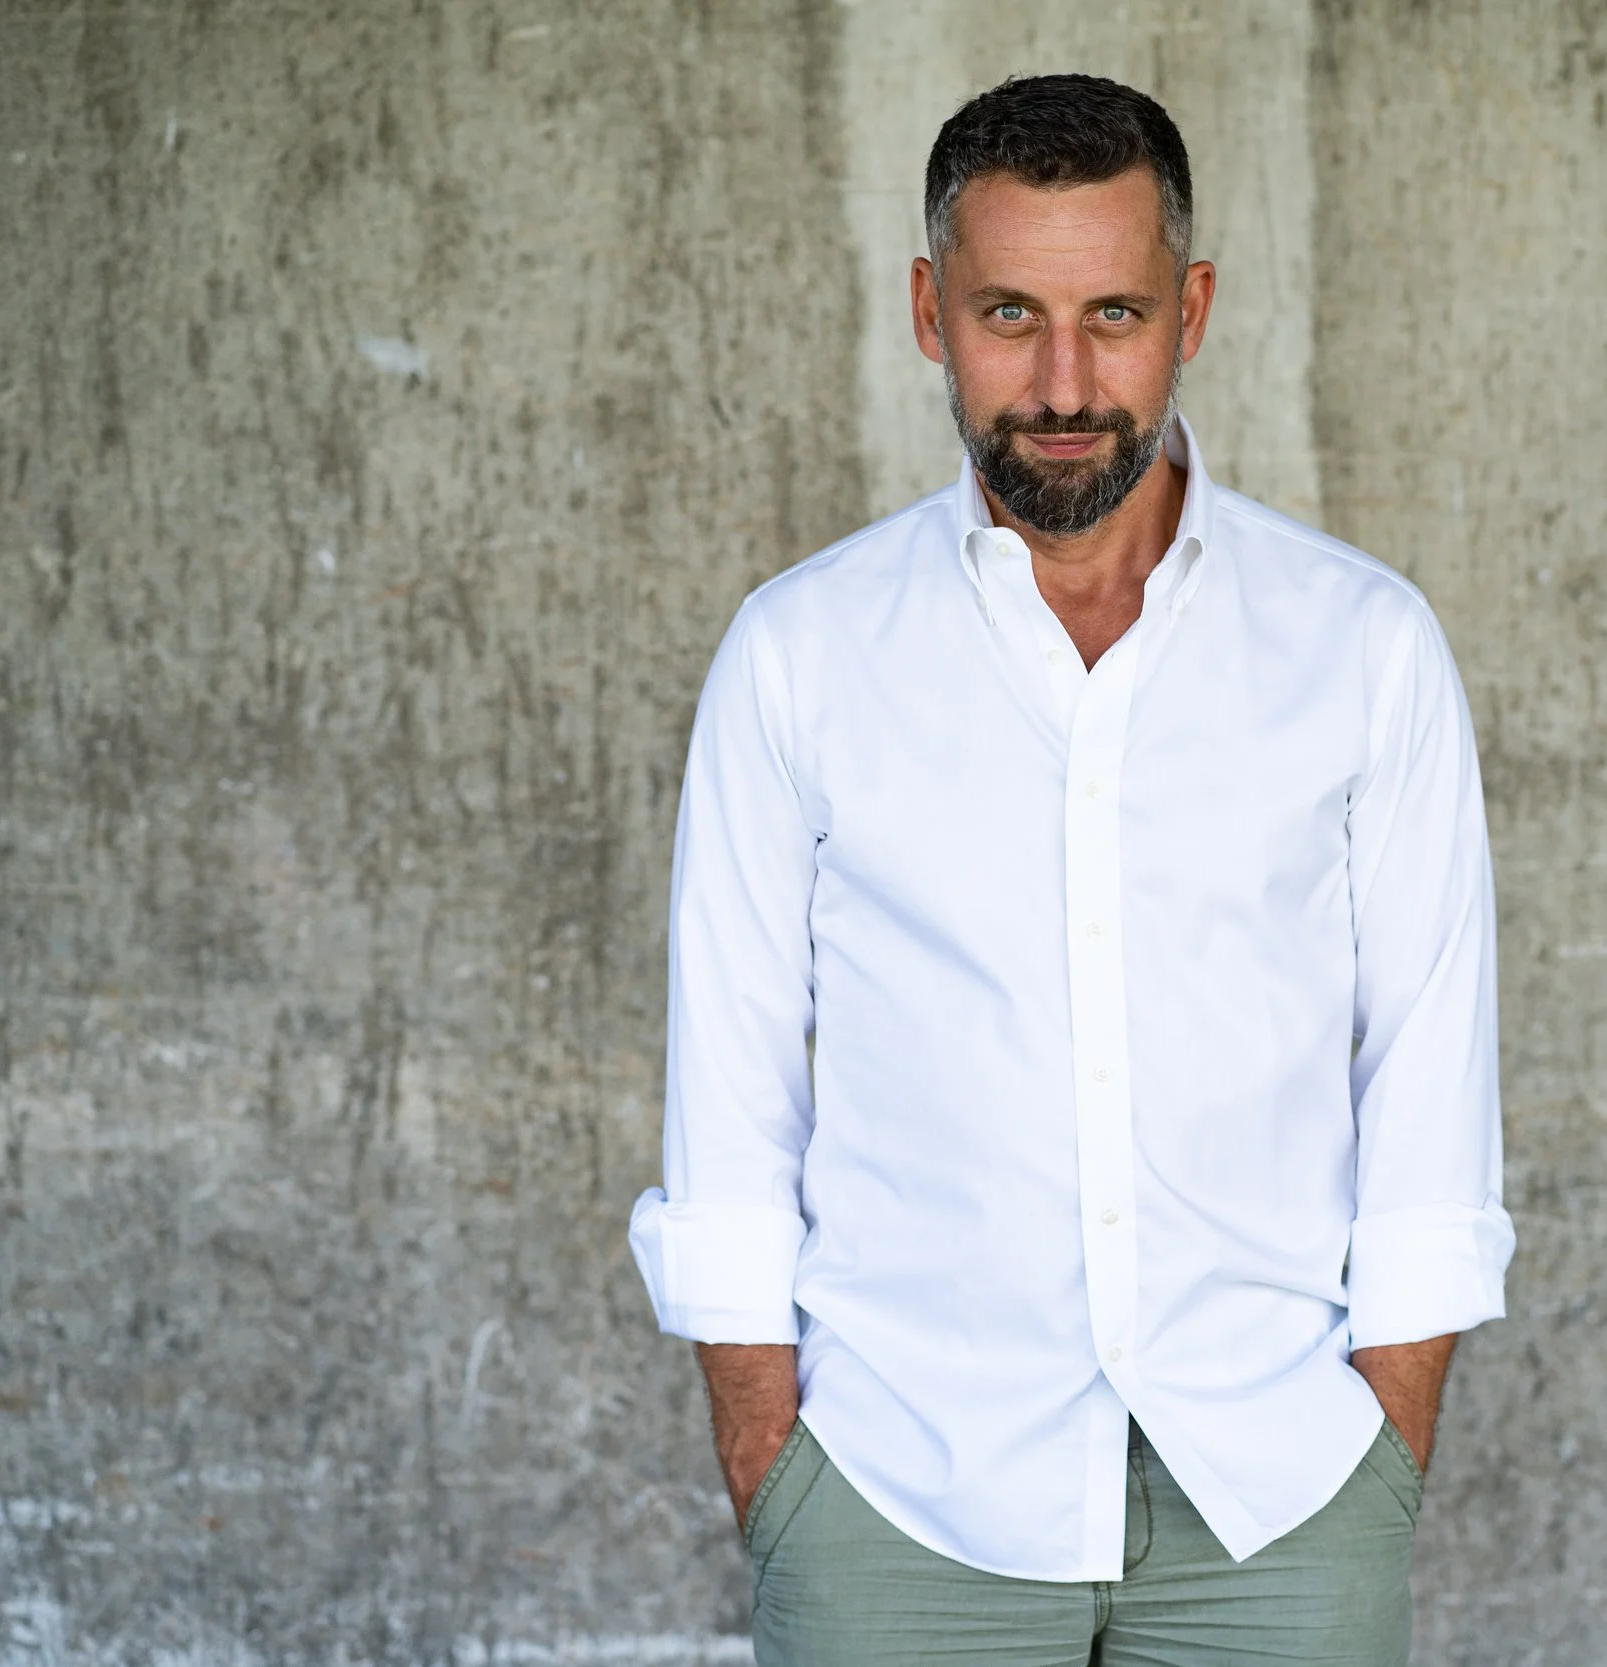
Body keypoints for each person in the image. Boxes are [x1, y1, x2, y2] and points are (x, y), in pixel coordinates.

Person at [628, 72, 1513, 1666]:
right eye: (1008, 315)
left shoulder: (1362, 647)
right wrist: (771, 1461)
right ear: (930, 313)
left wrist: (1385, 1448)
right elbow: (731, 1087)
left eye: (1114, 314)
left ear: (1192, 310)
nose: (1061, 382)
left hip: (1281, 1494)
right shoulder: (800, 654)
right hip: (901, 1495)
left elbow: (1429, 1076)